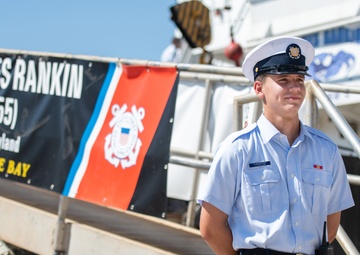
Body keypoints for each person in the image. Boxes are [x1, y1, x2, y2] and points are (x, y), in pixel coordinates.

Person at [197, 36, 355, 255]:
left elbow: (331, 224)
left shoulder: (327, 150)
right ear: (259, 88)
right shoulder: (237, 149)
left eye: (299, 80)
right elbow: (210, 228)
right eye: (284, 80)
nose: (295, 88)